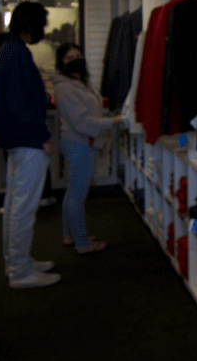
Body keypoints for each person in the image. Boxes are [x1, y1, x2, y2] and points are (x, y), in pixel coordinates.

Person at [0, 2, 60, 289]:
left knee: (14, 204)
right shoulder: (17, 53)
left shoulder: (7, 51)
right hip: (27, 139)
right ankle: (20, 271)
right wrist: (43, 135)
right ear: (31, 24)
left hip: (14, 138)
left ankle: (16, 263)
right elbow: (23, 104)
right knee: (23, 207)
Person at [52, 42, 122, 254]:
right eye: (69, 57)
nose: (76, 59)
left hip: (81, 142)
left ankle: (69, 234)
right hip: (79, 144)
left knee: (72, 192)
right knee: (77, 195)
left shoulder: (82, 82)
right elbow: (82, 122)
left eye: (78, 55)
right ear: (61, 63)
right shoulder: (65, 87)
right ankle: (82, 243)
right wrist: (114, 121)